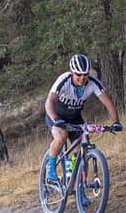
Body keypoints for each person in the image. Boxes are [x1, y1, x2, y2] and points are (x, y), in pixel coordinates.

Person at [44, 54, 122, 183]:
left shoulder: (93, 83)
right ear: (71, 72)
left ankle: (79, 186)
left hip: (75, 117)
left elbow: (108, 102)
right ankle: (50, 167)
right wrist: (56, 119)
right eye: (78, 75)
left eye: (85, 74)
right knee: (61, 136)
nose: (82, 78)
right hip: (56, 114)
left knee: (81, 149)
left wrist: (115, 122)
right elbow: (49, 101)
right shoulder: (63, 80)